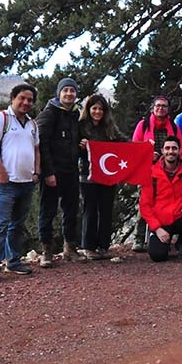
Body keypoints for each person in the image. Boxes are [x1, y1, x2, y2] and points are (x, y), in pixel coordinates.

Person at [0, 83, 40, 283]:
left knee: (17, 225)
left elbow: (36, 149)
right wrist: (1, 171)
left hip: (26, 182)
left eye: (30, 100)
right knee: (0, 225)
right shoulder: (2, 118)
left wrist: (36, 172)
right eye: (22, 98)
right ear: (13, 98)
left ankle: (13, 261)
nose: (26, 103)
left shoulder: (32, 124)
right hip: (5, 183)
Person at [36, 77, 85, 266]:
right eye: (66, 90)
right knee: (48, 211)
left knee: (71, 210)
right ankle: (46, 251)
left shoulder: (75, 114)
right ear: (59, 93)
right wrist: (48, 172)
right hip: (52, 171)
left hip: (71, 170)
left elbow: (74, 141)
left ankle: (69, 248)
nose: (69, 94)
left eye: (72, 91)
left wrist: (82, 145)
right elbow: (41, 143)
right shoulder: (49, 113)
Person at [132, 95, 182, 252]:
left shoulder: (174, 127)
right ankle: (139, 238)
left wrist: (171, 159)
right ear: (153, 108)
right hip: (147, 169)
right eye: (158, 105)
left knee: (167, 202)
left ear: (168, 109)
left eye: (164, 106)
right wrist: (148, 154)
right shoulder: (143, 125)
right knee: (144, 202)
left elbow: (181, 146)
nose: (160, 108)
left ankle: (164, 235)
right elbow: (135, 145)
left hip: (168, 170)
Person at [78, 94, 126, 260]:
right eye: (94, 108)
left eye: (101, 109)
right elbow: (73, 149)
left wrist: (144, 148)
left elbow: (125, 143)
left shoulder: (110, 127)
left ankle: (103, 246)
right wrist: (82, 147)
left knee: (106, 210)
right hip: (88, 175)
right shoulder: (81, 127)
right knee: (90, 210)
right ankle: (88, 247)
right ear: (88, 109)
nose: (97, 112)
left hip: (108, 176)